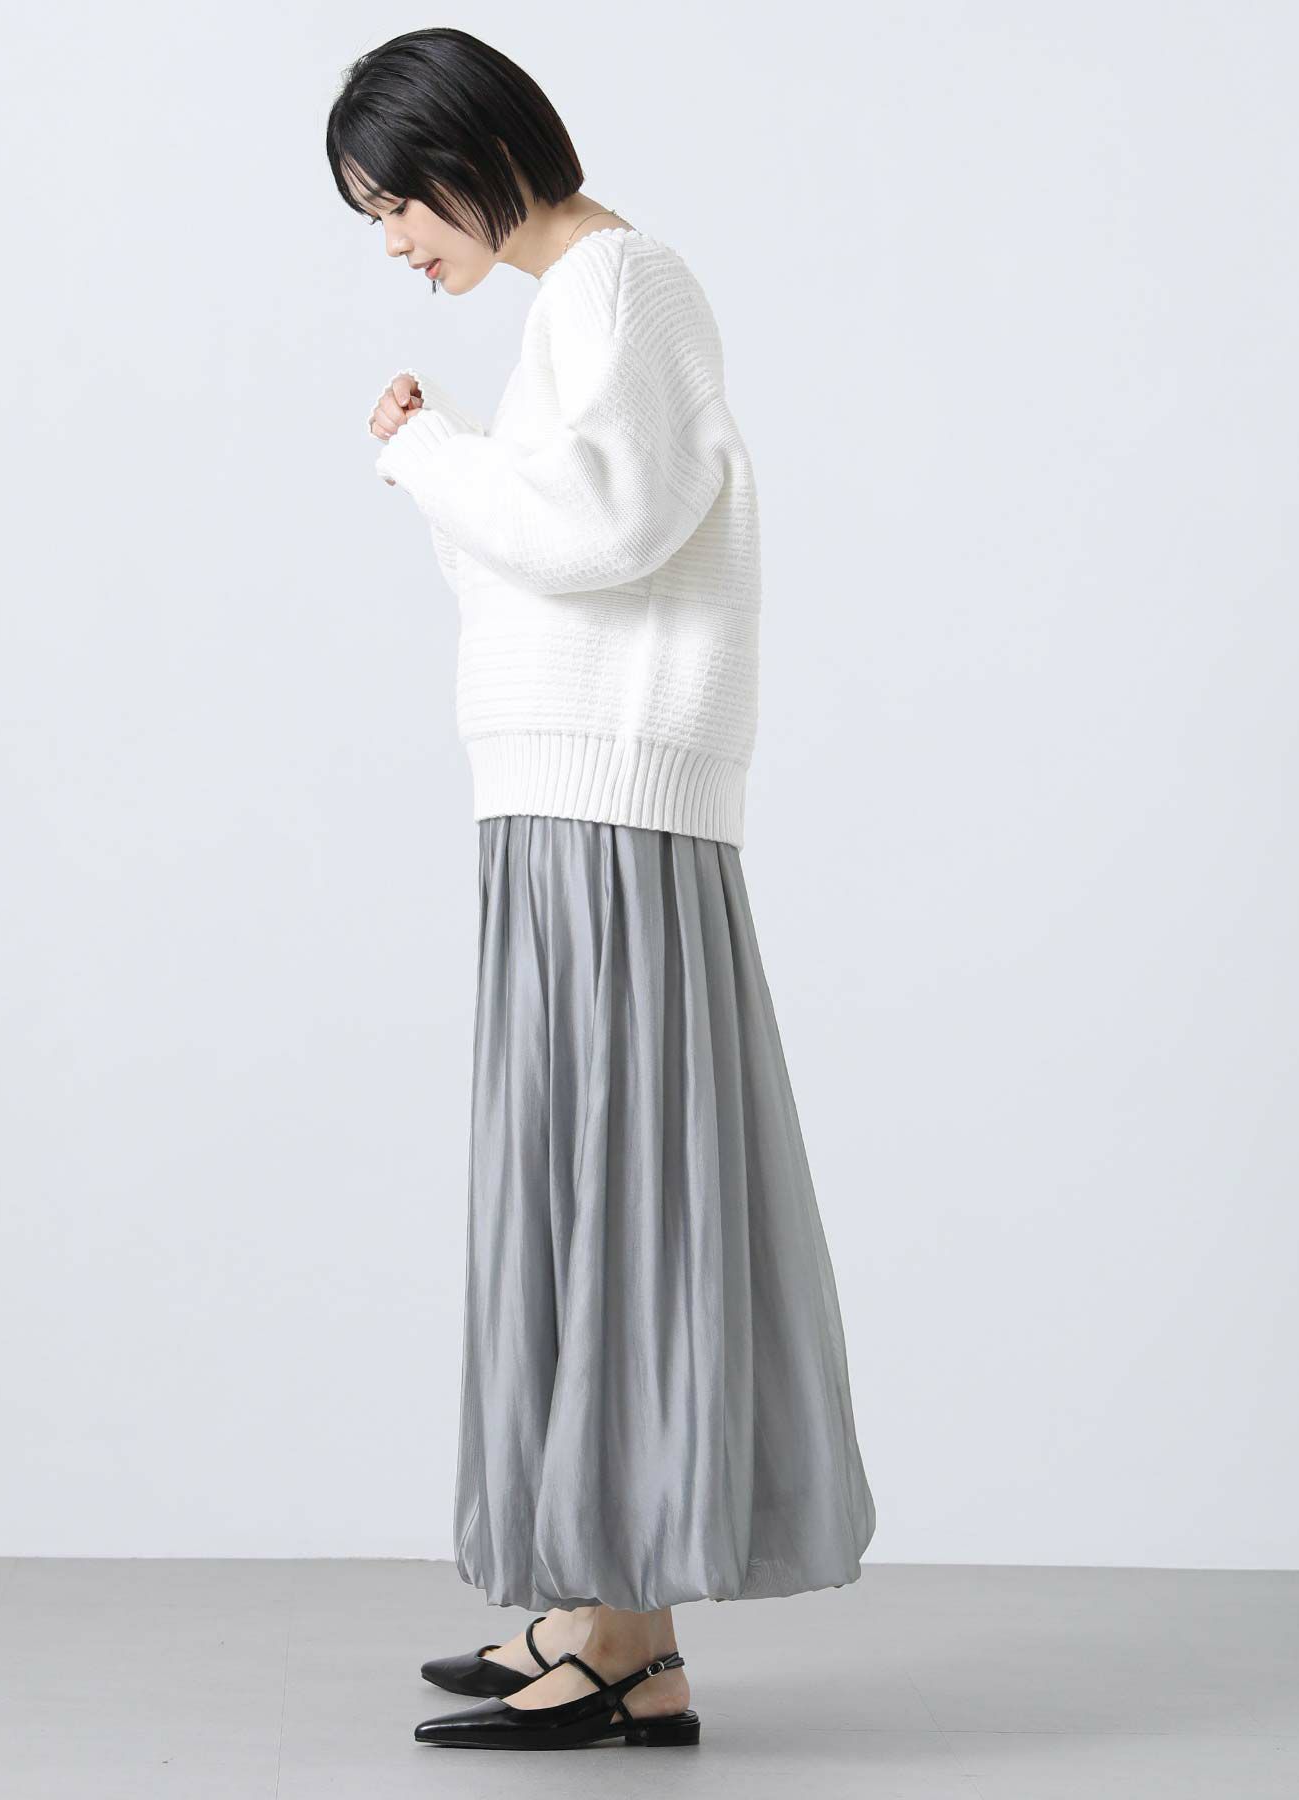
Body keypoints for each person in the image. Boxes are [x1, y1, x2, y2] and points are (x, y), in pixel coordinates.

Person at [328, 26, 876, 1754]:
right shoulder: (579, 302)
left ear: (469, 152)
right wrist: (452, 461)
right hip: (568, 798)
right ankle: (599, 1607)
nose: (393, 243)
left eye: (394, 202)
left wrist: (427, 455)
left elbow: (601, 530)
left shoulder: (619, 286)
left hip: (611, 804)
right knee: (586, 1193)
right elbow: (563, 553)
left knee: (617, 1195)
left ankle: (632, 1642)